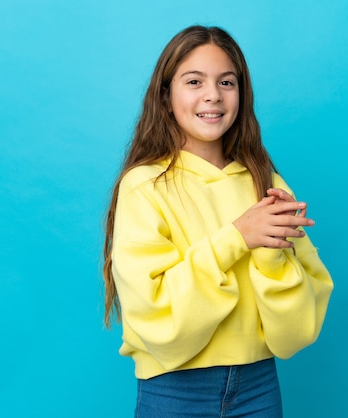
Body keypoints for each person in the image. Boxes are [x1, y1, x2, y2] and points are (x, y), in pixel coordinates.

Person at [102, 25, 334, 418]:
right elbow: (155, 318)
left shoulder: (267, 183)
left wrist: (272, 258)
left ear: (241, 94)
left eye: (226, 82)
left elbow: (297, 331)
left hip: (259, 386)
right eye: (194, 81)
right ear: (166, 95)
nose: (213, 94)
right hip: (174, 389)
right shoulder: (144, 186)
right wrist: (238, 237)